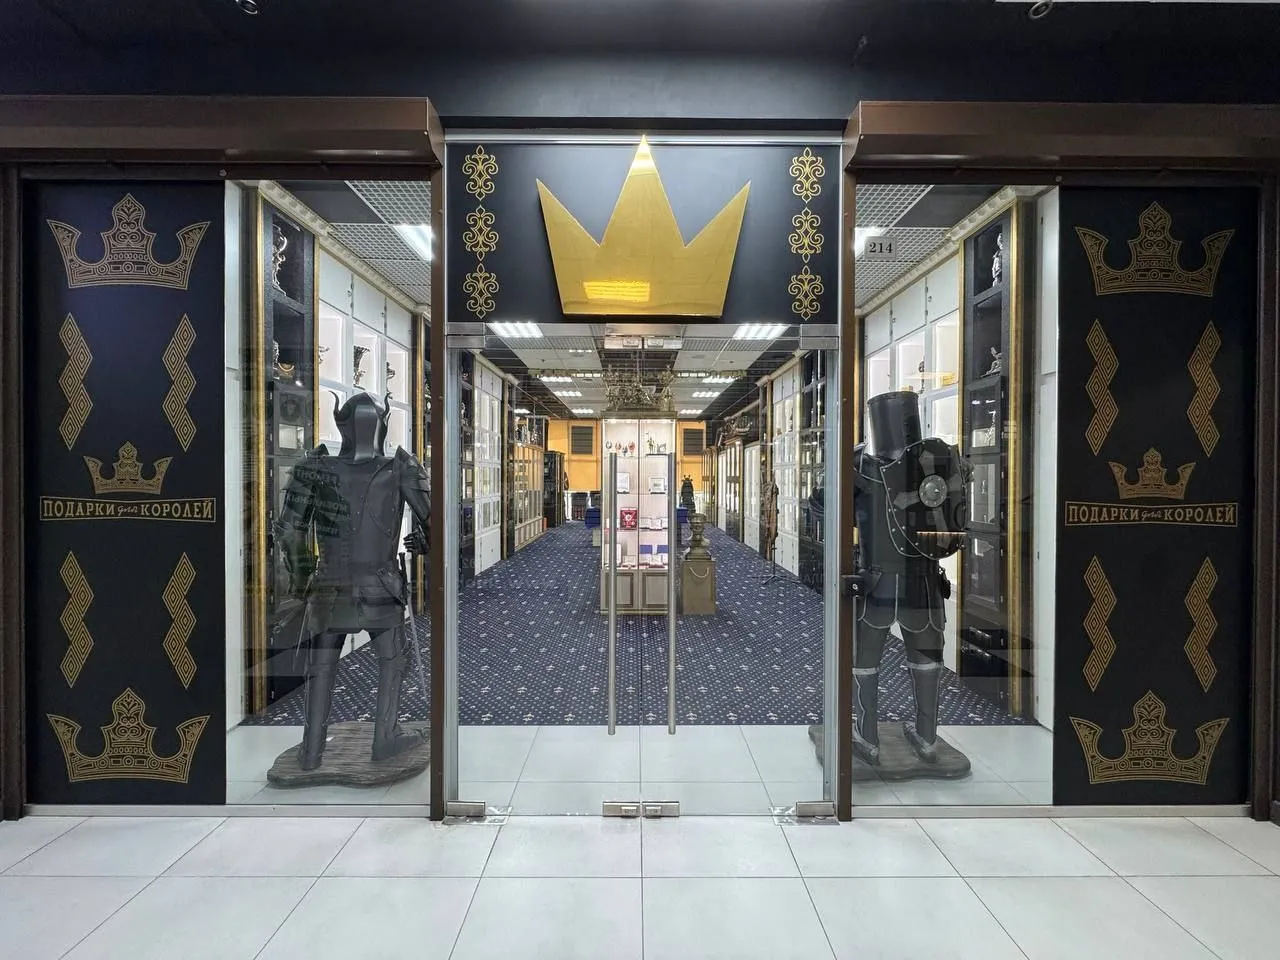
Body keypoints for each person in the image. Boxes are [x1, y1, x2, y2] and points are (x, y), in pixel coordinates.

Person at [275, 391, 431, 771]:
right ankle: (385, 738)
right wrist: (423, 542)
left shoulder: (314, 466)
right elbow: (435, 521)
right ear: (383, 424)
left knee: (321, 667)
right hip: (381, 585)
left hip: (328, 586)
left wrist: (301, 578)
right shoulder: (401, 466)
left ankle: (312, 750)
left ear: (341, 424)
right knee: (392, 661)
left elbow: (290, 531)